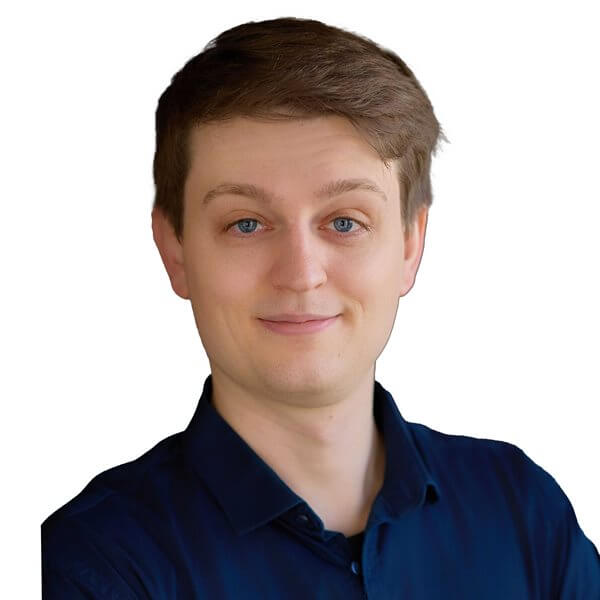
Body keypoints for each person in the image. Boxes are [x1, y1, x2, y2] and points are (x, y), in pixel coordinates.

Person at [41, 16, 600, 599]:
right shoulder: (95, 562)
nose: (301, 274)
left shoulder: (523, 512)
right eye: (246, 223)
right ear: (175, 250)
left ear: (410, 245)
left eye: (345, 222)